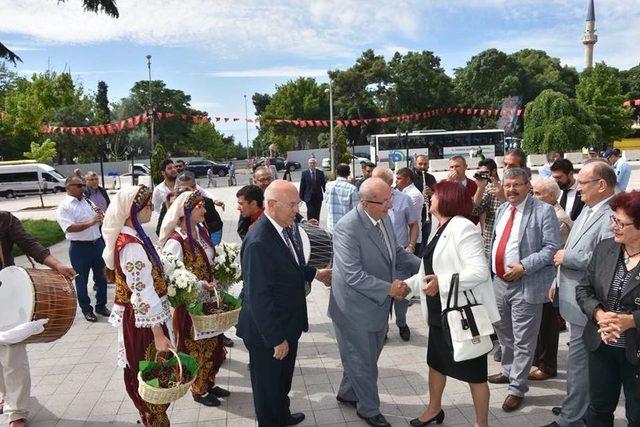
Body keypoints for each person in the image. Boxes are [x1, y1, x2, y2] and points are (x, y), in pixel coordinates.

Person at [403, 180, 500, 427]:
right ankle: (433, 409)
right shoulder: (440, 227)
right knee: (436, 363)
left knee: (475, 375)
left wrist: (442, 283)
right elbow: (427, 271)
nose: (430, 198)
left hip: (462, 315)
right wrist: (406, 287)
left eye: (434, 195)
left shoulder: (463, 228)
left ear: (447, 198)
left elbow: (479, 271)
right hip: (439, 313)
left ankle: (481, 423)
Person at [237, 180, 331, 427]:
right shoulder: (259, 241)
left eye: (297, 204)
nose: (296, 210)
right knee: (267, 390)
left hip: (287, 325)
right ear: (271, 205)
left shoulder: (280, 228)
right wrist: (276, 338)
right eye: (291, 205)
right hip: (268, 334)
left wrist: (315, 274)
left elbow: (287, 266)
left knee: (281, 382)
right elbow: (259, 297)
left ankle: (282, 415)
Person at [329, 178, 421, 427]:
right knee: (363, 362)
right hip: (353, 308)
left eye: (390, 199)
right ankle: (368, 409)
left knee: (364, 356)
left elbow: (397, 252)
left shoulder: (383, 217)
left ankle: (348, 393)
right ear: (364, 203)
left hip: (378, 306)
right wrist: (390, 289)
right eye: (384, 202)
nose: (390, 206)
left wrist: (425, 267)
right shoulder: (347, 228)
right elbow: (353, 275)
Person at [545, 161, 617, 427]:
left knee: (578, 364)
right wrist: (557, 279)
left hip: (589, 304)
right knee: (583, 363)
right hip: (572, 297)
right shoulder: (589, 208)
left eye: (583, 183)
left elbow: (606, 259)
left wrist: (568, 258)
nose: (578, 187)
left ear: (601, 185)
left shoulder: (612, 213)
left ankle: (570, 419)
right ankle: (577, 407)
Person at [488, 168, 561, 412]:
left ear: (527, 185)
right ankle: (508, 371)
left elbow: (551, 248)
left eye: (516, 185)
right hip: (499, 282)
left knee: (523, 339)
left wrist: (524, 266)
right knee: (503, 331)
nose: (511, 189)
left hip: (526, 284)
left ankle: (517, 388)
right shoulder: (501, 209)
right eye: (507, 185)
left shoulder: (543, 211)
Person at [0, 212, 75, 427]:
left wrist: (57, 265)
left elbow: (29, 244)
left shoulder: (4, 219)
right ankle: (6, 395)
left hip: (6, 294)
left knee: (12, 356)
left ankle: (16, 412)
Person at [158, 190, 230, 407]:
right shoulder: (176, 241)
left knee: (212, 343)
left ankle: (209, 381)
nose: (205, 210)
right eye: (200, 207)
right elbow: (172, 277)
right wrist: (200, 285)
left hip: (208, 300)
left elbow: (209, 259)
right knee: (195, 347)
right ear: (185, 211)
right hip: (190, 306)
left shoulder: (200, 231)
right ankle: (198, 390)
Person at [576, 191, 640, 426]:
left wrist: (631, 321)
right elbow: (584, 290)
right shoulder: (606, 248)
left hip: (636, 350)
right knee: (599, 409)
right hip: (601, 346)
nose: (614, 226)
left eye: (621, 223)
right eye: (613, 220)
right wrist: (599, 314)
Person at [528, 179, 572, 385]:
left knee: (547, 324)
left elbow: (551, 251)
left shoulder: (558, 218)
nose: (533, 197)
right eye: (533, 193)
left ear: (552, 197)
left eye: (538, 194)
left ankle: (547, 366)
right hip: (541, 276)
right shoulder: (544, 212)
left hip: (551, 278)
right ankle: (539, 360)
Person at [372, 167, 419, 342]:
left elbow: (414, 224)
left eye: (377, 180)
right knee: (382, 297)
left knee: (402, 295)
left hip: (400, 259)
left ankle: (402, 323)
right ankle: (383, 329)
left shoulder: (404, 200)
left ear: (389, 183)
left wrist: (411, 245)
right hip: (379, 260)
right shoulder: (369, 200)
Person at [56, 175, 110, 323]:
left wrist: (99, 217)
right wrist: (92, 221)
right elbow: (69, 228)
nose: (83, 188)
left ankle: (101, 305)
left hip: (97, 244)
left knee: (102, 277)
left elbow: (97, 219)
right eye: (79, 185)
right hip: (79, 248)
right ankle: (87, 310)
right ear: (68, 187)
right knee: (81, 281)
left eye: (83, 185)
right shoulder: (65, 207)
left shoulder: (87, 201)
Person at [472, 158, 503, 259]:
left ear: (493, 171)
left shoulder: (506, 186)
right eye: (480, 173)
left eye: (485, 173)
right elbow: (474, 210)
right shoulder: (486, 189)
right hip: (489, 241)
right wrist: (480, 188)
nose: (482, 175)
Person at [412, 155, 437, 255]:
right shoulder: (411, 178)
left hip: (426, 214)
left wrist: (431, 193)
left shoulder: (431, 178)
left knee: (424, 239)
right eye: (420, 164)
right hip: (414, 214)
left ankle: (421, 260)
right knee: (415, 239)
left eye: (425, 164)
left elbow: (438, 196)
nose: (423, 166)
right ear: (415, 165)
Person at [396, 168, 425, 255]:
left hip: (411, 239)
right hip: (402, 238)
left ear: (408, 179)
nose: (396, 182)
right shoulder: (400, 192)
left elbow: (404, 216)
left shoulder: (414, 195)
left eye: (399, 179)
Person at [324, 163, 360, 234]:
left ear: (336, 172)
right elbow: (356, 209)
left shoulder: (328, 186)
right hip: (346, 227)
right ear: (349, 173)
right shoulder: (352, 189)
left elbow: (326, 202)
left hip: (331, 226)